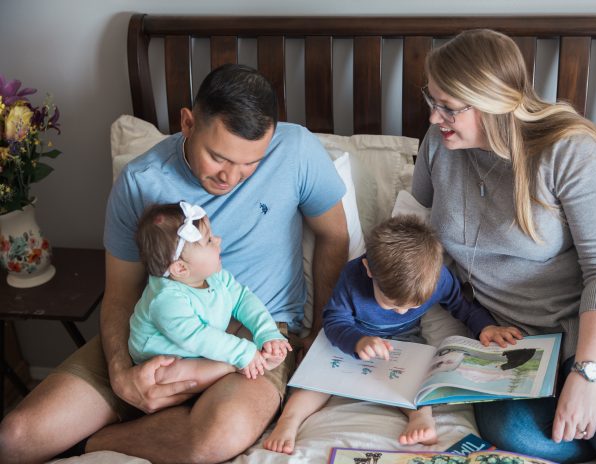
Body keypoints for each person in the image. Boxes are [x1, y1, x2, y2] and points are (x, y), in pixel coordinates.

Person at [0, 64, 349, 463]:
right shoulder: (140, 181)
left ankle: (92, 444)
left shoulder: (297, 150)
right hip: (160, 325)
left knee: (220, 435)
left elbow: (334, 237)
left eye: (250, 162)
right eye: (218, 157)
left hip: (251, 331)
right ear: (187, 122)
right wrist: (122, 374)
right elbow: (121, 291)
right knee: (16, 437)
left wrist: (320, 337)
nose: (232, 176)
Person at [411, 28, 596, 463]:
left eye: (447, 107)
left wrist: (588, 375)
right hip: (521, 333)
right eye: (431, 101)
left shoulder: (571, 150)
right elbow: (431, 234)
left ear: (493, 100)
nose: (434, 118)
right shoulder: (439, 145)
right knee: (517, 433)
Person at [263, 215, 522, 454]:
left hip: (404, 341)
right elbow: (334, 319)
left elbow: (461, 305)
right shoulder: (353, 277)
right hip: (350, 338)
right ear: (369, 269)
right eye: (393, 304)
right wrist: (357, 341)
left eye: (411, 307)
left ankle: (421, 416)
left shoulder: (437, 277)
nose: (401, 312)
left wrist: (485, 326)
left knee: (420, 379)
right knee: (315, 380)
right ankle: (289, 420)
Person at [129, 201, 292, 388]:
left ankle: (252, 358)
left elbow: (243, 300)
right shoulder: (166, 299)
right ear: (181, 268)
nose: (218, 240)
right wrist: (242, 353)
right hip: (163, 359)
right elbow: (197, 336)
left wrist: (267, 333)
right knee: (167, 375)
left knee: (239, 333)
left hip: (198, 346)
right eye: (209, 240)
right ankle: (232, 366)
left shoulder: (215, 276)